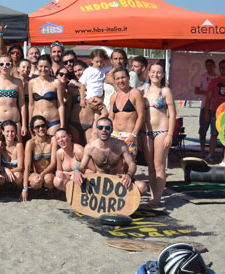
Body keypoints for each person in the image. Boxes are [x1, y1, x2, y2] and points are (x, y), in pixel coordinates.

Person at [73, 117, 148, 199]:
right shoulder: (90, 148)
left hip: (118, 180)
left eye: (107, 128)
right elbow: (82, 167)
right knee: (73, 179)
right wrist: (77, 172)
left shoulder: (121, 146)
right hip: (100, 181)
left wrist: (129, 175)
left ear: (112, 130)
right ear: (97, 130)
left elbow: (132, 164)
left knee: (142, 187)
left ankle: (126, 202)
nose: (104, 130)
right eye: (100, 127)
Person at [141, 63, 176, 206]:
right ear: (148, 73)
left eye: (159, 72)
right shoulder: (143, 91)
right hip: (146, 132)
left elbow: (172, 114)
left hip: (162, 131)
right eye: (153, 71)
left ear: (163, 75)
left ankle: (157, 198)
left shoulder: (165, 91)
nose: (155, 74)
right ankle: (153, 195)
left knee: (159, 165)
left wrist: (170, 135)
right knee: (150, 167)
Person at [0, 54, 27, 138]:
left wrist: (24, 124)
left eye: (7, 64)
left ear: (11, 65)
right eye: (1, 64)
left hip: (14, 122)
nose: (4, 66)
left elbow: (22, 104)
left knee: (17, 145)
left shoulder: (18, 82)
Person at [108, 67, 145, 157]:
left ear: (128, 78)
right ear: (115, 81)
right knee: (115, 162)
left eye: (123, 77)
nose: (121, 81)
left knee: (128, 162)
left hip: (129, 135)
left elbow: (141, 115)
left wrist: (134, 134)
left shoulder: (136, 93)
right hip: (114, 134)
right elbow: (111, 117)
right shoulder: (113, 96)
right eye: (118, 78)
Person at [28, 55, 65, 135]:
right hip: (37, 123)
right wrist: (29, 123)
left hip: (53, 121)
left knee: (53, 142)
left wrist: (62, 125)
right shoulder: (32, 83)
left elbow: (60, 105)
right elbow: (31, 105)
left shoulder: (56, 83)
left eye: (46, 66)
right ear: (37, 66)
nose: (43, 69)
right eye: (41, 66)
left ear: (50, 67)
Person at [22, 116, 56, 201]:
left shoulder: (53, 139)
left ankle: (51, 190)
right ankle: (39, 190)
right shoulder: (30, 143)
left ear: (46, 126)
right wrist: (25, 189)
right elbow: (27, 167)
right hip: (36, 173)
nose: (41, 128)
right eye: (37, 127)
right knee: (34, 181)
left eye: (43, 125)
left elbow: (53, 163)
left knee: (48, 179)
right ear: (33, 129)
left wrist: (42, 174)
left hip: (49, 173)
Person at [205, 60, 225, 163]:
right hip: (216, 111)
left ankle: (224, 156)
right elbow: (208, 98)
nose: (224, 69)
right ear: (219, 69)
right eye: (222, 67)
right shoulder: (214, 81)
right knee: (214, 134)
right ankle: (211, 154)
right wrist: (206, 112)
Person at [0, 120, 24, 195]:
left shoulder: (19, 145)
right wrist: (5, 169)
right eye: (7, 131)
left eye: (12, 131)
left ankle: (17, 192)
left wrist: (10, 171)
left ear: (16, 132)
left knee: (18, 176)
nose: (10, 134)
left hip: (16, 173)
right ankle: (4, 193)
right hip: (4, 172)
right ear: (3, 132)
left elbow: (20, 167)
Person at [195, 59, 217, 158]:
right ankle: (202, 151)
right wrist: (207, 93)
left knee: (214, 131)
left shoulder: (218, 78)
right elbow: (196, 90)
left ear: (214, 66)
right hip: (205, 107)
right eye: (207, 65)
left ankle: (211, 152)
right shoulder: (202, 77)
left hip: (216, 107)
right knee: (203, 130)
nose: (209, 67)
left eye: (211, 65)